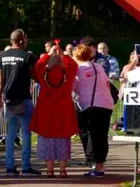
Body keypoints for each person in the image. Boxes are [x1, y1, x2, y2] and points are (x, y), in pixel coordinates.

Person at [0, 29, 41, 176]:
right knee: (26, 133)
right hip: (24, 99)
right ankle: (26, 167)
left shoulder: (2, 56)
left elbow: (0, 81)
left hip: (9, 100)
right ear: (22, 40)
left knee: (10, 134)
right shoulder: (27, 55)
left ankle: (10, 167)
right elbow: (34, 75)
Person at [31, 42, 79, 178]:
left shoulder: (43, 73)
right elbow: (74, 65)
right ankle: (63, 170)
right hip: (63, 109)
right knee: (63, 139)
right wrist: (64, 54)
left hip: (47, 110)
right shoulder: (67, 74)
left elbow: (38, 66)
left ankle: (49, 170)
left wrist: (48, 54)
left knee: (48, 139)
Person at [74, 44, 115, 177]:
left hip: (91, 105)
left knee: (91, 134)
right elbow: (107, 83)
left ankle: (95, 163)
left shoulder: (78, 70)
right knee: (101, 135)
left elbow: (72, 87)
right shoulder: (98, 67)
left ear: (76, 56)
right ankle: (99, 166)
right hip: (106, 103)